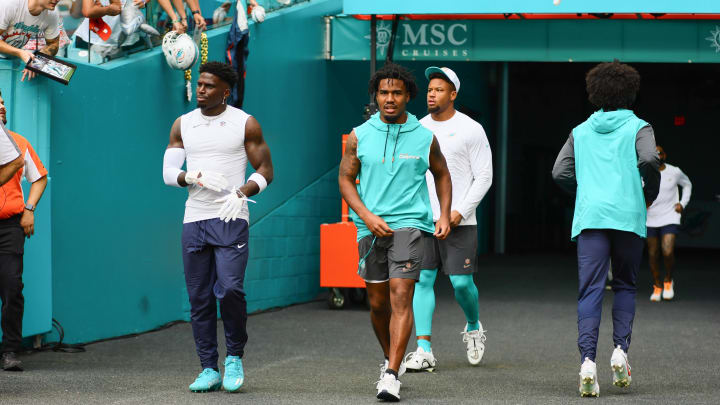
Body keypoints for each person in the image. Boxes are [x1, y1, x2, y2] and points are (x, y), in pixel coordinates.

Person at [338, 62, 452, 402]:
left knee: (401, 294)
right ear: (376, 95)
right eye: (384, 92)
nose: (390, 98)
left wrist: (443, 214)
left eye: (397, 93)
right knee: (377, 303)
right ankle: (394, 358)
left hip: (411, 225)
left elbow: (442, 173)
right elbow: (345, 178)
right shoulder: (359, 135)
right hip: (370, 228)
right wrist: (365, 215)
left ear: (408, 97)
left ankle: (390, 374)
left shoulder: (424, 137)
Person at [162, 61, 273, 393]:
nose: (200, 89)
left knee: (230, 290)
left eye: (208, 86)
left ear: (225, 92)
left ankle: (234, 356)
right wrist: (190, 176)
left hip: (231, 215)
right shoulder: (183, 123)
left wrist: (241, 192)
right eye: (199, 84)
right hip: (194, 218)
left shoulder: (244, 123)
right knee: (199, 298)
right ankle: (208, 367)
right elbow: (168, 173)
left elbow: (266, 170)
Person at [552, 60, 660, 397]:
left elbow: (559, 172)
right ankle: (619, 352)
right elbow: (649, 161)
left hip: (591, 217)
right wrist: (648, 194)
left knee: (591, 291)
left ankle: (587, 362)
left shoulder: (580, 131)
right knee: (625, 285)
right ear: (631, 92)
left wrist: (585, 194)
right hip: (628, 216)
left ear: (594, 94)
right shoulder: (640, 127)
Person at [404, 67, 492, 372]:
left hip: (460, 221)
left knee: (461, 283)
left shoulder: (471, 129)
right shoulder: (417, 128)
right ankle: (424, 348)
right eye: (429, 89)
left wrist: (458, 212)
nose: (431, 93)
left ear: (452, 94)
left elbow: (484, 176)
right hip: (423, 220)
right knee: (423, 280)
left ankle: (472, 326)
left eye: (439, 89)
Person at [0, 89, 49, 371]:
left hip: (9, 227)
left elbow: (39, 178)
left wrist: (29, 209)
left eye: (4, 102)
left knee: (11, 287)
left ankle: (10, 351)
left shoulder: (18, 142)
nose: (2, 106)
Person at [646, 145, 691, 301]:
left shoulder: (674, 171)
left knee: (667, 251)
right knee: (652, 254)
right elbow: (635, 191)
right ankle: (657, 285)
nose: (658, 156)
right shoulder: (644, 173)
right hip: (649, 218)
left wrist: (682, 204)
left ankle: (668, 280)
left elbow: (687, 185)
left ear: (665, 155)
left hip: (670, 216)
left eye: (660, 153)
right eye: (655, 154)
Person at [0, 0, 60, 81]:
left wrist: (37, 62)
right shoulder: (9, 4)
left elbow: (53, 44)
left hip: (9, 59)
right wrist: (19, 52)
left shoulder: (52, 14)